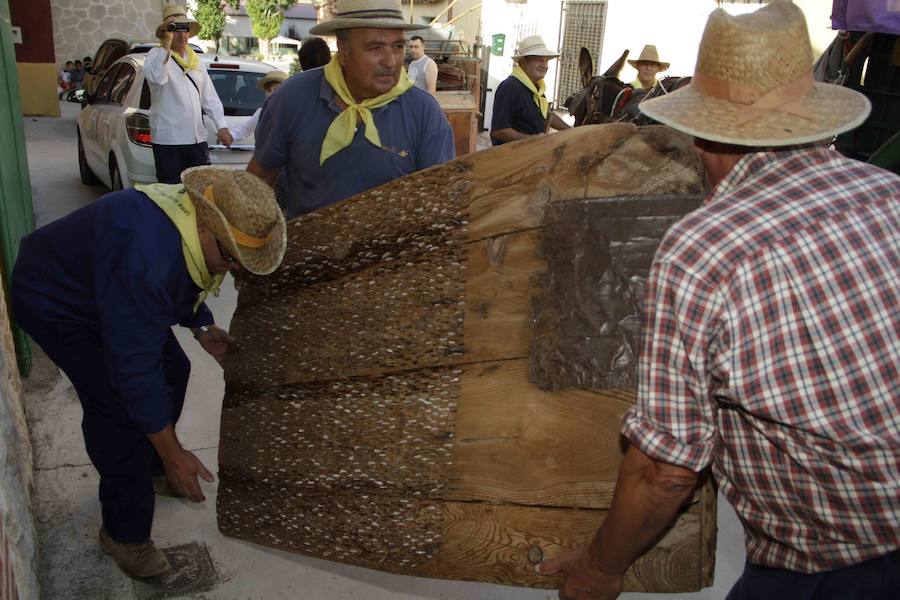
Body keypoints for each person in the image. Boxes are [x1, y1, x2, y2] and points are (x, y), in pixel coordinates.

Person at [536, 2, 900, 599]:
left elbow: (664, 470)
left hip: (835, 564)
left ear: (702, 134)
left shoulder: (705, 248)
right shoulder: (887, 193)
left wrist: (600, 567)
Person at [11, 167, 286, 581]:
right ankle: (124, 534)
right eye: (231, 258)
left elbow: (183, 275)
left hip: (107, 286)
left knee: (175, 367)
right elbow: (133, 370)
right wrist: (172, 451)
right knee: (119, 410)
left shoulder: (183, 222)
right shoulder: (146, 258)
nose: (232, 271)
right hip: (57, 302)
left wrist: (200, 326)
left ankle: (152, 468)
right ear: (207, 227)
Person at [247, 0, 454, 216]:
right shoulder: (291, 99)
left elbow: (439, 203)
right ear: (344, 50)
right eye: (375, 48)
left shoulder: (424, 112)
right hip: (306, 247)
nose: (391, 61)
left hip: (396, 249)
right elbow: (258, 181)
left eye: (398, 47)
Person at [144, 3, 233, 184]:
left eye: (185, 29)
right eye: (176, 29)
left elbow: (209, 96)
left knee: (200, 191)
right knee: (171, 194)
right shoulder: (155, 56)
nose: (182, 34)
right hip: (169, 141)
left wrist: (221, 125)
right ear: (167, 32)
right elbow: (156, 77)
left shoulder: (195, 60)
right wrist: (166, 44)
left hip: (196, 139)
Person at [490, 35, 570, 145]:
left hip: (532, 153)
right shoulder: (510, 87)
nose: (544, 66)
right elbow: (499, 131)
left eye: (546, 61)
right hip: (511, 158)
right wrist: (533, 139)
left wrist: (572, 131)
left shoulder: (536, 88)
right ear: (523, 62)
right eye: (539, 60)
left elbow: (546, 114)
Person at [229, 70, 287, 143]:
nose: (272, 93)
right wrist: (230, 136)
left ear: (286, 91)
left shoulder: (294, 113)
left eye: (276, 90)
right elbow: (246, 129)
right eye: (269, 90)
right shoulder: (262, 112)